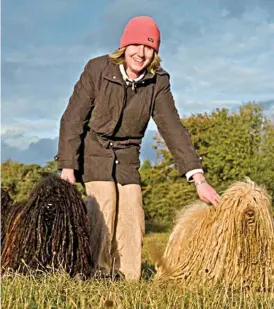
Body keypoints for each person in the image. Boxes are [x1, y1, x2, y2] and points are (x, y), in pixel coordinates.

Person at [56, 16, 220, 280]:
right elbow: (73, 118)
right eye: (135, 45)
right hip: (94, 150)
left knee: (133, 210)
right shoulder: (97, 69)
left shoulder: (158, 82)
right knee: (104, 203)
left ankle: (128, 277)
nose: (141, 53)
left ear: (155, 52)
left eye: (148, 47)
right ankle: (96, 273)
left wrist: (198, 178)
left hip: (127, 155)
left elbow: (173, 129)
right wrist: (68, 166)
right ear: (124, 47)